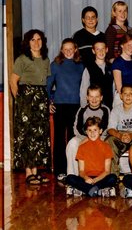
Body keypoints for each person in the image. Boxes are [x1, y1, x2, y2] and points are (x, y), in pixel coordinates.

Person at [10, 29, 51, 185]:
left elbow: (45, 83)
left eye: (39, 39)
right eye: (32, 40)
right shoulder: (22, 59)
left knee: (39, 135)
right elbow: (13, 81)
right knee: (27, 135)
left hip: (41, 98)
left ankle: (36, 171)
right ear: (28, 43)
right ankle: (28, 172)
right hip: (26, 99)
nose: (36, 42)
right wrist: (19, 101)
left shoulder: (45, 60)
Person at [47, 38, 85, 180]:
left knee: (73, 138)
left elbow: (83, 87)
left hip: (76, 106)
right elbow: (48, 86)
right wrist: (49, 102)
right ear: (62, 50)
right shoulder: (55, 65)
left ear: (75, 49)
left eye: (71, 48)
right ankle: (59, 170)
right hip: (60, 105)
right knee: (59, 139)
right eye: (65, 49)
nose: (68, 51)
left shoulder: (80, 65)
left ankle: (72, 170)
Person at [66, 116, 118, 197]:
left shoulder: (106, 147)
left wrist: (95, 180)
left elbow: (107, 171)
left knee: (113, 178)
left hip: (100, 178)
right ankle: (97, 190)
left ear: (100, 131)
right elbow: (81, 171)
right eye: (89, 130)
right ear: (86, 132)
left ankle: (86, 190)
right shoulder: (82, 147)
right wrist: (86, 178)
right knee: (69, 178)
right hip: (86, 179)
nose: (92, 133)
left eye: (95, 130)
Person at [66, 84, 110, 176]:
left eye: (97, 97)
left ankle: (100, 175)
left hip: (100, 137)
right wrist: (85, 139)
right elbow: (76, 128)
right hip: (83, 137)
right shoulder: (82, 109)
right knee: (72, 143)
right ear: (87, 97)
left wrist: (92, 139)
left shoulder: (105, 110)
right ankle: (73, 175)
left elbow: (106, 128)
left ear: (101, 97)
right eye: (91, 96)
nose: (94, 100)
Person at [105, 85, 132, 175]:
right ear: (120, 96)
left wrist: (131, 135)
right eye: (125, 94)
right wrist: (119, 135)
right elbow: (110, 129)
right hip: (120, 135)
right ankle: (113, 176)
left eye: (131, 94)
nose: (128, 96)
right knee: (109, 141)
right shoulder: (116, 110)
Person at [79, 39, 114, 109]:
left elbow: (113, 88)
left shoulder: (111, 67)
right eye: (98, 49)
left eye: (103, 49)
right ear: (93, 51)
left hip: (108, 105)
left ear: (107, 50)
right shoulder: (89, 68)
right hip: (93, 106)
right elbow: (83, 90)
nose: (101, 51)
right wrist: (84, 108)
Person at [112, 34, 132, 107]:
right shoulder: (117, 62)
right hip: (122, 98)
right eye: (129, 45)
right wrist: (127, 99)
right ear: (122, 45)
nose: (131, 48)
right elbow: (119, 87)